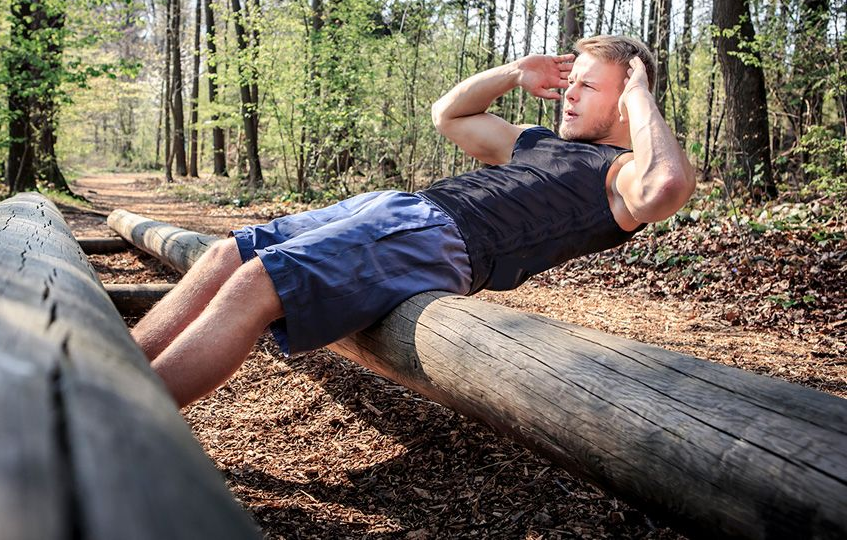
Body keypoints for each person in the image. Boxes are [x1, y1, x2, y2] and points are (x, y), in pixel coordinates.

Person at [133, 35, 696, 408]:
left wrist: (641, 97)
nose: (569, 95)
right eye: (571, 83)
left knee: (256, 284)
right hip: (396, 207)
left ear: (627, 100)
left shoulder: (620, 173)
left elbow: (665, 187)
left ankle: (121, 421)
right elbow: (449, 114)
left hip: (442, 237)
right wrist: (513, 72)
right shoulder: (537, 142)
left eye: (588, 86)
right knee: (226, 255)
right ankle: (112, 372)